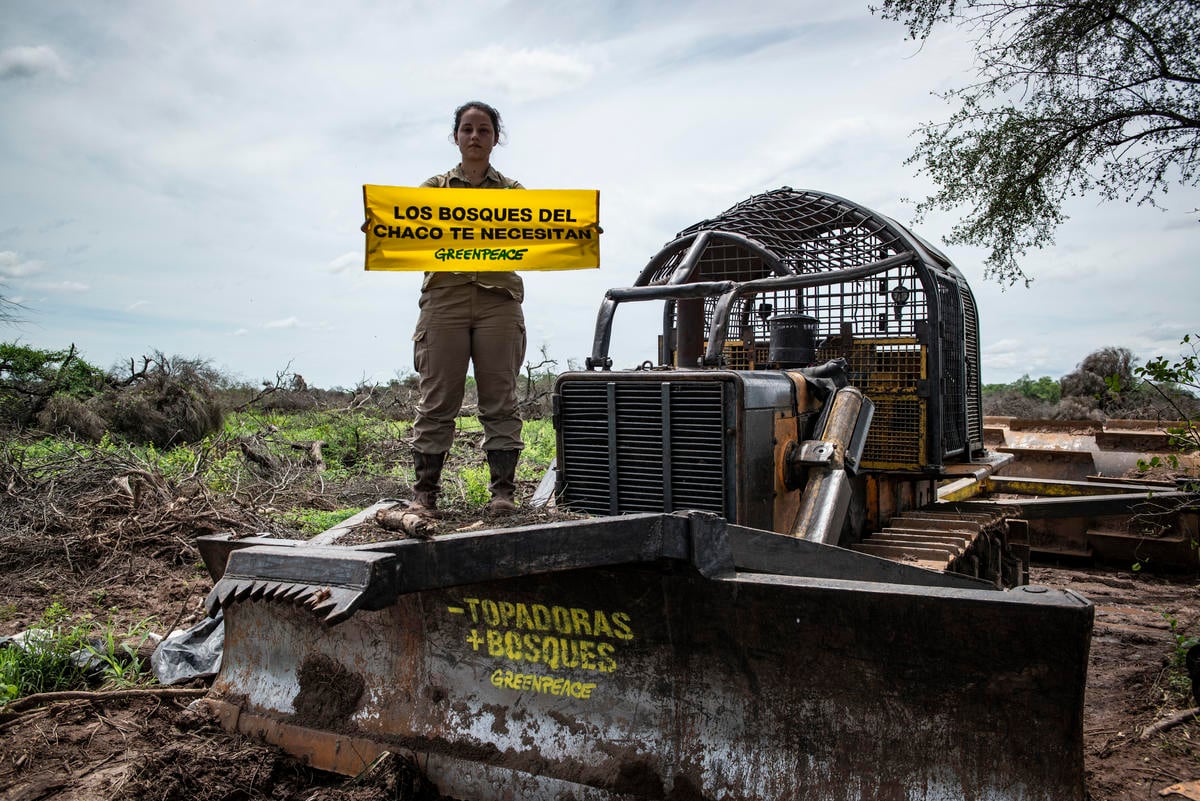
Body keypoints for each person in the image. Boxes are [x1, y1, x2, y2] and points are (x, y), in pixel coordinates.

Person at [409, 101, 526, 516]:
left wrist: (578, 231)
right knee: (437, 399)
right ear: (456, 137)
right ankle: (425, 495)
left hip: (500, 302)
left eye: (484, 130)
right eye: (467, 129)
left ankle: (503, 494)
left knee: (501, 399)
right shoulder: (432, 190)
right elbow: (403, 230)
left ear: (496, 138)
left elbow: (542, 233)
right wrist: (379, 226)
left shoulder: (514, 194)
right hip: (444, 299)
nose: (475, 136)